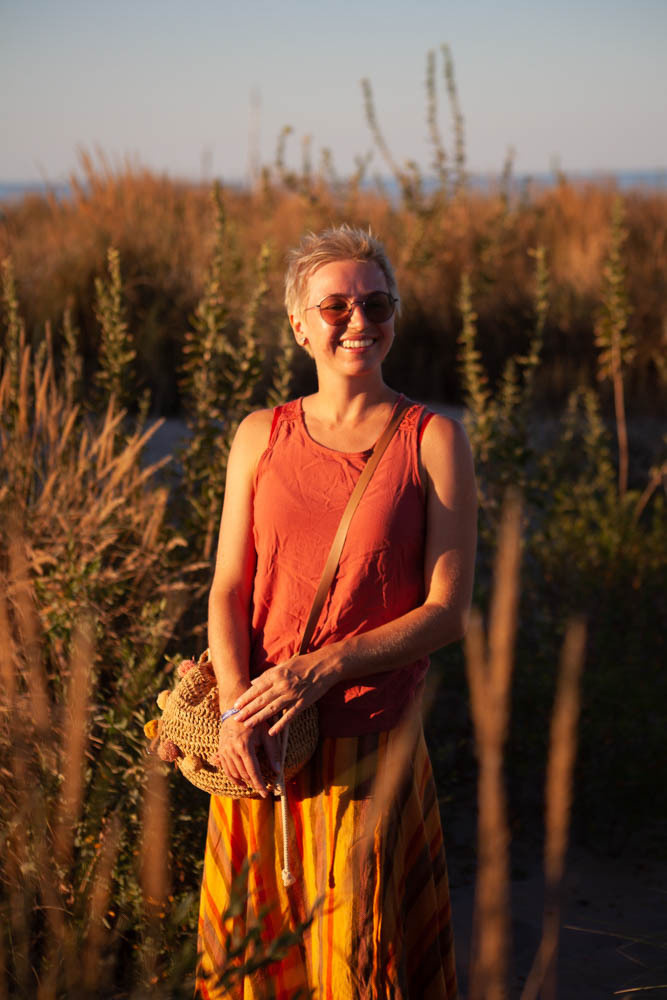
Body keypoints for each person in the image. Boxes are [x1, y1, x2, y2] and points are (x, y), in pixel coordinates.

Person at [196, 225, 477, 999]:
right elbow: (227, 587)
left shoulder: (432, 439)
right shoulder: (260, 435)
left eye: (375, 304)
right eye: (336, 307)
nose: (359, 321)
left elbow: (447, 611)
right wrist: (235, 711)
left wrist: (319, 670)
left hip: (367, 741)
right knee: (255, 965)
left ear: (393, 316)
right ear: (299, 326)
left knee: (357, 964)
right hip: (260, 745)